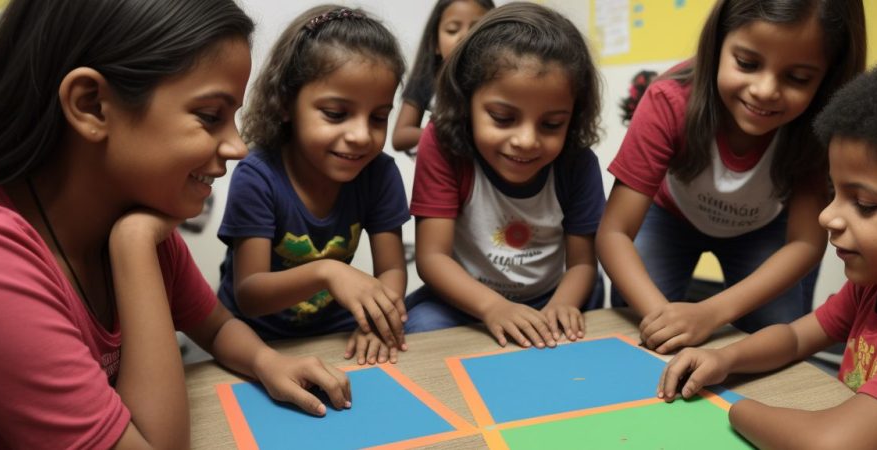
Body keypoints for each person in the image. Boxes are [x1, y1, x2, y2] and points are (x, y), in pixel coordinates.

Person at [0, 1, 353, 448]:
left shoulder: (132, 208)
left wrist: (265, 361)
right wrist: (133, 245)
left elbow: (214, 326)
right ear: (91, 105)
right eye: (211, 116)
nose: (237, 147)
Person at [658, 51, 877, 449]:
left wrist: (732, 408)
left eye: (864, 204)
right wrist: (726, 359)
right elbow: (794, 338)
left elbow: (831, 445)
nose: (827, 217)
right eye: (833, 192)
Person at [597, 0, 867, 354]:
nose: (765, 90)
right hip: (669, 219)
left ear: (827, 77)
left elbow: (805, 244)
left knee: (775, 337)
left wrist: (710, 313)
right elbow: (614, 233)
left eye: (798, 78)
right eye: (747, 64)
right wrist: (665, 321)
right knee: (640, 328)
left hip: (763, 231)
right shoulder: (669, 100)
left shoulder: (818, 125)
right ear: (718, 44)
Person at [404, 2, 606, 349]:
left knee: (592, 313)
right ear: (466, 102)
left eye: (552, 124)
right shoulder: (441, 146)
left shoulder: (577, 163)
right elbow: (432, 258)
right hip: (466, 303)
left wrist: (562, 305)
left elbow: (583, 264)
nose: (526, 141)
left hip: (548, 297)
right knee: (421, 327)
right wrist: (493, 307)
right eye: (502, 117)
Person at [219, 5, 410, 366]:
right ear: (286, 102)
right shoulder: (257, 176)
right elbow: (250, 293)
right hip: (255, 340)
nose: (360, 135)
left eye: (379, 118)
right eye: (336, 114)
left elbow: (392, 270)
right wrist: (330, 271)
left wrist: (376, 322)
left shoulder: (380, 174)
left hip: (337, 333)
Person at [391, 0, 495, 156]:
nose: (464, 37)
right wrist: (449, 133)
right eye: (452, 30)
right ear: (436, 44)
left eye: (476, 30)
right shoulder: (426, 78)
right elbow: (400, 137)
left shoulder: (498, 82)